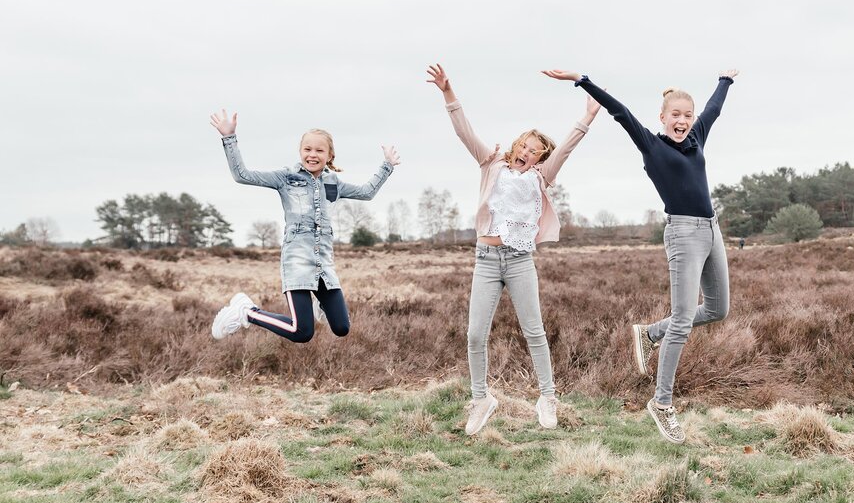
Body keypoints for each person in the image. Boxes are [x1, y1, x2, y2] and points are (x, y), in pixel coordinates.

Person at [543, 68, 737, 444]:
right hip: (682, 233)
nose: (683, 121)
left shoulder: (696, 138)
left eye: (687, 115)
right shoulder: (652, 145)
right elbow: (621, 113)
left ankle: (650, 333)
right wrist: (581, 80)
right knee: (682, 320)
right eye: (675, 115)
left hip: (712, 230)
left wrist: (725, 81)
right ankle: (662, 404)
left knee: (718, 309)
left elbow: (713, 110)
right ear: (662, 118)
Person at [426, 64, 600, 435]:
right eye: (524, 145)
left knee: (534, 331)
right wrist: (447, 93)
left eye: (534, 151)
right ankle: (480, 399)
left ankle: (548, 397)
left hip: (520, 260)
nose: (526, 151)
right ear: (516, 145)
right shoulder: (491, 163)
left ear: (539, 158)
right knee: (475, 334)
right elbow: (464, 132)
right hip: (486, 260)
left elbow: (566, 149)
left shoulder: (542, 177)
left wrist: (586, 116)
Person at [208, 109, 398, 343]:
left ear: (329, 155)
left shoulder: (333, 183)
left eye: (319, 150)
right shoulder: (286, 178)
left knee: (341, 327)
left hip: (324, 267)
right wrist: (229, 138)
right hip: (297, 264)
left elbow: (367, 193)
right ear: (300, 152)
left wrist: (387, 166)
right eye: (307, 149)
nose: (312, 154)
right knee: (302, 332)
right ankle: (247, 312)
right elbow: (242, 175)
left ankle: (319, 301)